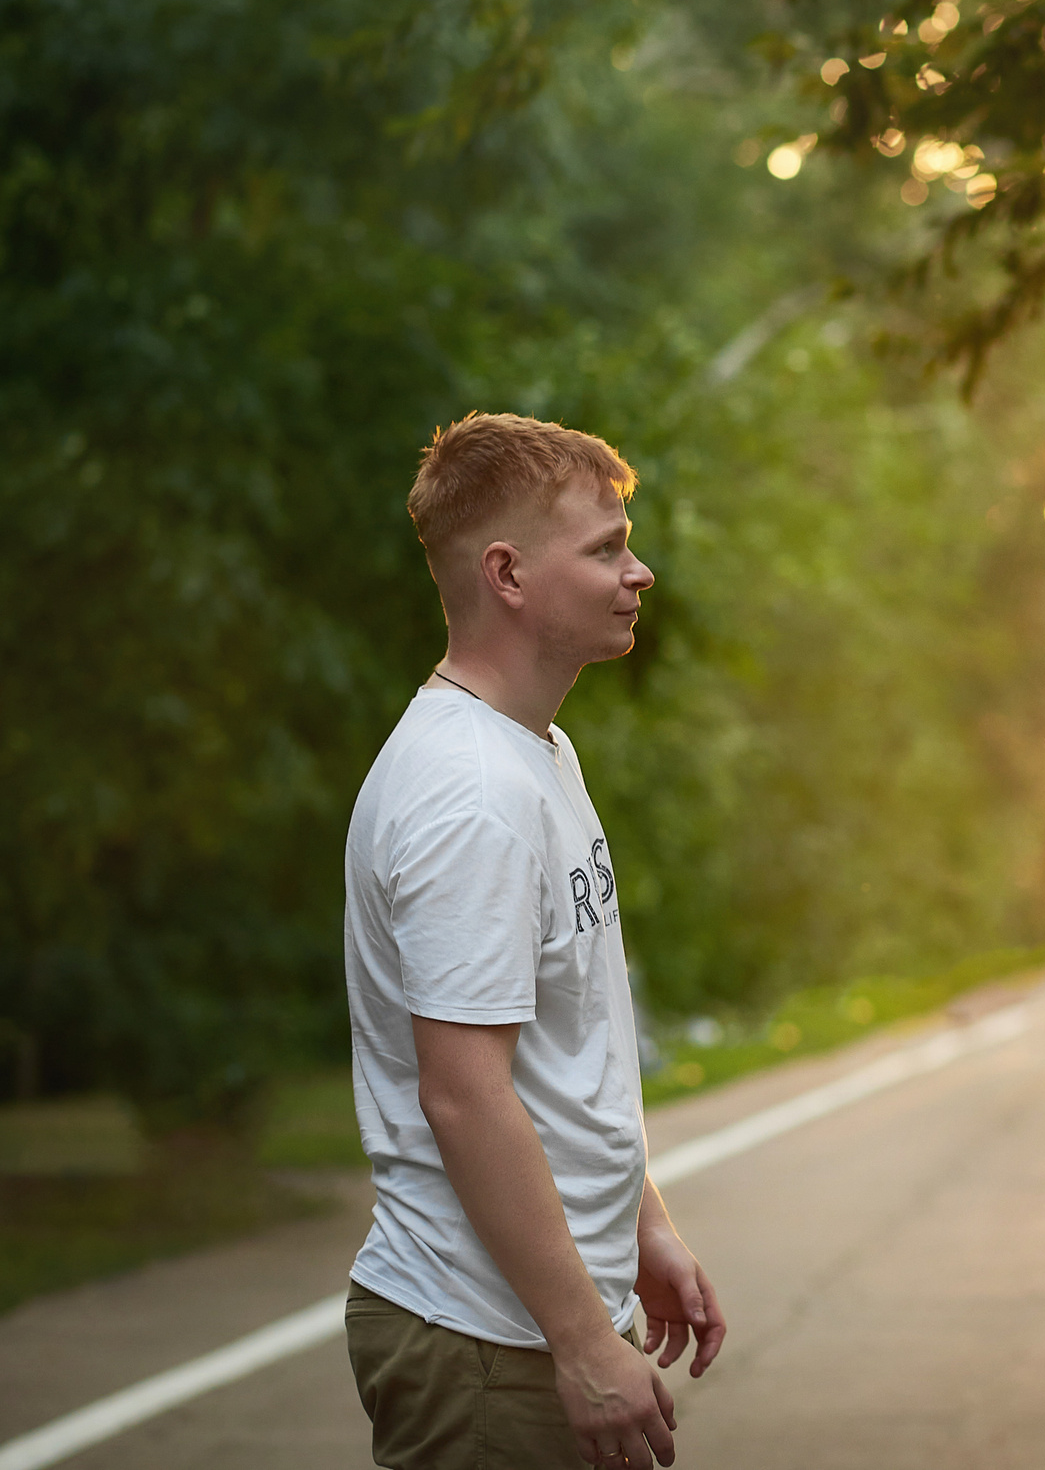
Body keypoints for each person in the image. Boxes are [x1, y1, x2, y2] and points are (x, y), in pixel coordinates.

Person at [343, 412, 726, 1470]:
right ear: (507, 573)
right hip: (486, 1344)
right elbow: (465, 1094)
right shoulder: (470, 793)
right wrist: (582, 1340)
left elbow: (565, 1051)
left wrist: (642, 1224)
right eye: (606, 549)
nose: (639, 572)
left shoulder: (535, 750)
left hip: (526, 1327)